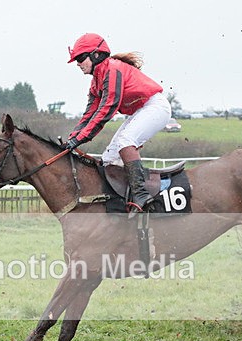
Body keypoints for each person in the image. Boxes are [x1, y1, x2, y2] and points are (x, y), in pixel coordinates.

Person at [64, 33, 171, 212]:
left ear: (96, 55)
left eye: (81, 58)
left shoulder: (113, 69)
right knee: (108, 159)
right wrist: (72, 138)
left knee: (125, 142)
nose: (78, 63)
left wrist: (79, 139)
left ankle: (141, 195)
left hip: (156, 107)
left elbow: (107, 108)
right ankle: (123, 204)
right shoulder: (96, 82)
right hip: (140, 111)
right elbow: (89, 114)